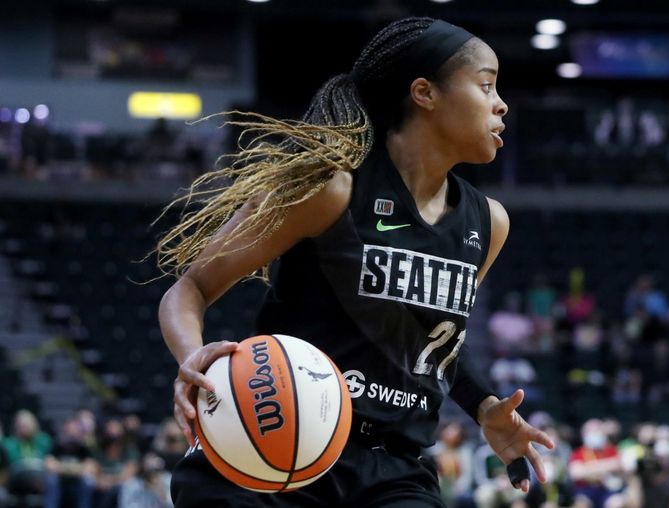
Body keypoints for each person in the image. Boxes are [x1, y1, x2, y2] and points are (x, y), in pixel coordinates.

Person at [155, 16, 554, 508]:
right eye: (486, 85)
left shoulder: (488, 221)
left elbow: (429, 340)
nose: (502, 104)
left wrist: (484, 406)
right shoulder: (330, 188)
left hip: (393, 470)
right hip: (277, 445)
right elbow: (188, 289)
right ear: (425, 93)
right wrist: (191, 359)